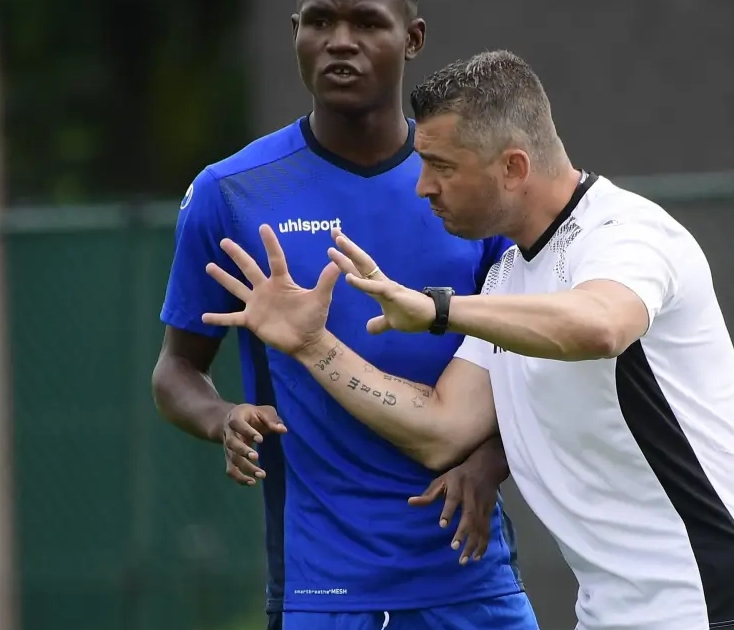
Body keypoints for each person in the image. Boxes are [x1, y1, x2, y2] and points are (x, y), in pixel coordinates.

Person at [198, 50, 734, 630]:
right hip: (614, 608)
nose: (422, 186)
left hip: (719, 596)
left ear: (514, 168)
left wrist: (440, 310)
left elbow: (601, 325)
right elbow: (440, 428)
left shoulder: (625, 233)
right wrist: (312, 346)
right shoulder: (507, 278)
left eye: (442, 167)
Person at [152, 4, 538, 628]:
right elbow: (176, 370)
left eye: (366, 23)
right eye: (320, 22)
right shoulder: (232, 193)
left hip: (470, 579)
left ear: (412, 39)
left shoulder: (472, 187)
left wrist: (491, 460)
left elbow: (534, 365)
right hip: (323, 590)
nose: (340, 42)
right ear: (295, 34)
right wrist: (223, 417)